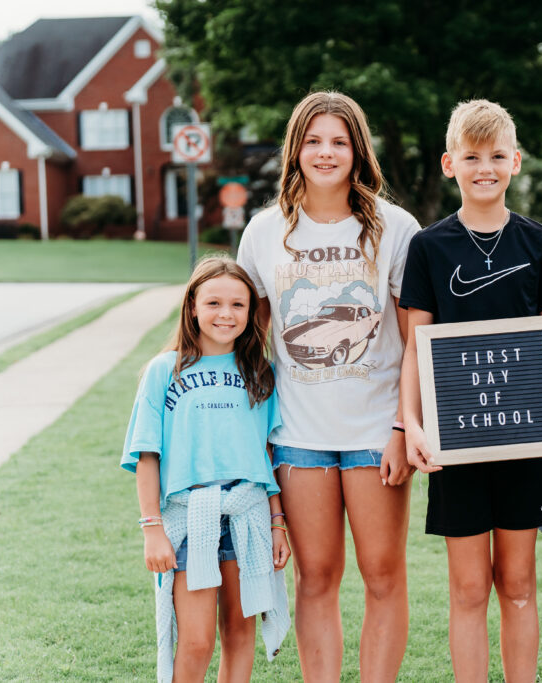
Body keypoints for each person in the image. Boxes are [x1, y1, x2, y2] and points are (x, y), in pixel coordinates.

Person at [399, 99, 542, 683]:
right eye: (473, 156)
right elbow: (415, 347)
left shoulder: (541, 243)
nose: (486, 167)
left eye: (497, 156)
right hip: (457, 442)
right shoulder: (429, 247)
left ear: (516, 162)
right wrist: (413, 424)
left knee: (519, 582)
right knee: (468, 587)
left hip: (525, 439)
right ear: (449, 163)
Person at [236, 91, 420, 682]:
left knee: (383, 575)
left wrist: (401, 427)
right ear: (295, 150)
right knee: (315, 577)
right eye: (313, 140)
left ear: (357, 150)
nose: (326, 152)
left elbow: (415, 340)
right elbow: (248, 344)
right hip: (298, 436)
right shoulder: (265, 232)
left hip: (375, 432)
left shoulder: (395, 228)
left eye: (338, 141)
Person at [122, 256, 290, 682]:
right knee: (196, 640)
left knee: (239, 633)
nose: (225, 314)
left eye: (238, 304)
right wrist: (151, 527)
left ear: (251, 312)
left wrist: (277, 524)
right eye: (213, 302)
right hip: (189, 517)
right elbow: (147, 454)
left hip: (246, 516)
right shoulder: (165, 370)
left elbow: (265, 456)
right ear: (192, 307)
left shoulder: (260, 374)